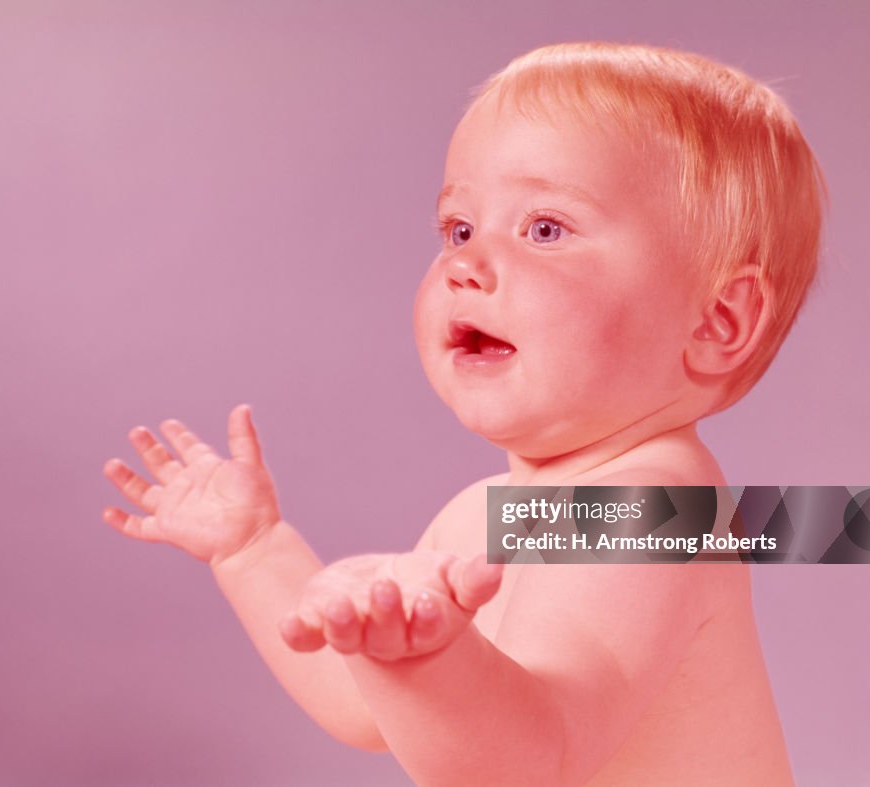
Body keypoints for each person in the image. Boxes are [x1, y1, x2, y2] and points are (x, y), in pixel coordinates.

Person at [102, 42, 824, 785]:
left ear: (716, 322)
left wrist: (436, 656)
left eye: (545, 228)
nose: (464, 265)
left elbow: (530, 756)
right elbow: (363, 702)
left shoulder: (660, 510)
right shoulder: (491, 513)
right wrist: (257, 553)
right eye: (459, 228)